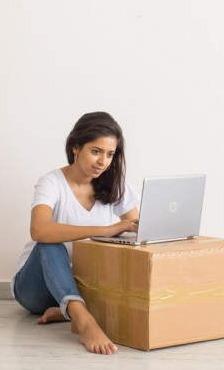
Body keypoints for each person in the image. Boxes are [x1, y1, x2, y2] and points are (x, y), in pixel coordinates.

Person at [11, 112, 139, 355]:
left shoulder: (115, 185)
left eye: (110, 154)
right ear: (76, 148)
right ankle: (84, 321)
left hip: (87, 285)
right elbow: (39, 230)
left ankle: (66, 309)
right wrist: (106, 230)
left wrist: (136, 228)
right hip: (35, 289)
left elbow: (135, 230)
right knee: (49, 242)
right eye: (96, 151)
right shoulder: (51, 183)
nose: (103, 161)